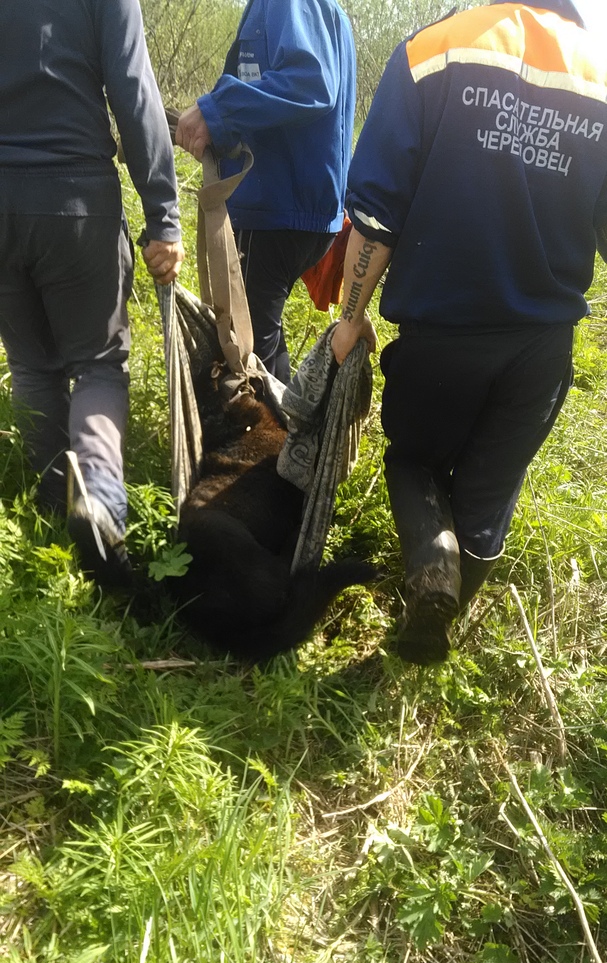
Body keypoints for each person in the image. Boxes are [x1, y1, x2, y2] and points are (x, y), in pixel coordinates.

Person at [331, 0, 607, 664]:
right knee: (487, 496)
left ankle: (432, 576)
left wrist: (350, 317)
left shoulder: (436, 50)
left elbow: (375, 216)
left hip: (441, 333)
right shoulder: (598, 77)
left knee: (413, 459)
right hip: (540, 349)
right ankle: (436, 623)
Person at [0, 0, 184, 588]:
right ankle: (99, 498)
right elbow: (134, 91)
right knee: (99, 364)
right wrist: (164, 215)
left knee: (32, 367)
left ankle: (53, 514)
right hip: (75, 200)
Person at [175, 0, 356, 384]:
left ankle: (274, 425)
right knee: (263, 340)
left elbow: (310, 82)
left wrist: (216, 111)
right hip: (294, 209)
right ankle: (288, 417)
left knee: (246, 353)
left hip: (274, 209)